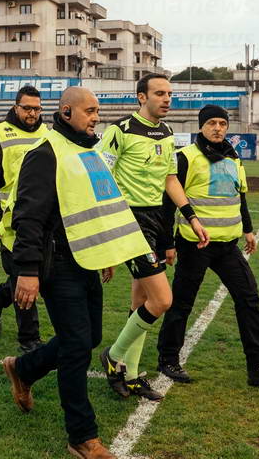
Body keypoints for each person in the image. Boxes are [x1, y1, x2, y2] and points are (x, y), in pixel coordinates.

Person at [1, 86, 152, 459]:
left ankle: (22, 368)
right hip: (57, 265)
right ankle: (82, 437)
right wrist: (28, 272)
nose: (95, 117)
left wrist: (107, 251)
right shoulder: (46, 154)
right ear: (66, 112)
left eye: (97, 111)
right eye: (89, 111)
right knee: (76, 348)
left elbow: (100, 207)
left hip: (87, 258)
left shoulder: (88, 153)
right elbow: (29, 218)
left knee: (89, 337)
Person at [156, 105, 259, 387]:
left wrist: (248, 230)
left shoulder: (233, 158)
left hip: (228, 246)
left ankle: (258, 365)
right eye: (212, 123)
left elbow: (239, 196)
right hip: (195, 245)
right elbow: (168, 202)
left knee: (249, 300)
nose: (218, 128)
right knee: (183, 302)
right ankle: (168, 359)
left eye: (222, 123)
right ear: (201, 126)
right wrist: (167, 243)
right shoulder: (186, 158)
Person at [96, 74, 208, 401]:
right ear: (141, 97)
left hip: (156, 219)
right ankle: (114, 356)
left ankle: (130, 376)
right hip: (128, 220)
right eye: (160, 93)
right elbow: (100, 177)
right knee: (162, 300)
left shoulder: (168, 133)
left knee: (140, 302)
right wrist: (106, 231)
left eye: (170, 93)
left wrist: (192, 216)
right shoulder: (120, 130)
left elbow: (170, 179)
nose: (167, 98)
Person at [0, 85, 47, 353]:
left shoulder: (47, 133)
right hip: (11, 222)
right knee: (24, 277)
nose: (32, 113)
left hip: (41, 219)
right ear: (16, 106)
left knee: (30, 276)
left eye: (37, 108)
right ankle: (29, 339)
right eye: (27, 108)